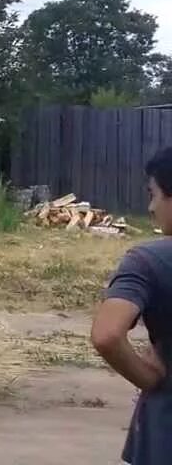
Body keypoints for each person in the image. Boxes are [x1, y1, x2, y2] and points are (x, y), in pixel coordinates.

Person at [91, 147, 172, 465]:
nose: (151, 207)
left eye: (154, 194)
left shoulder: (148, 261)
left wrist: (149, 378)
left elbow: (107, 335)